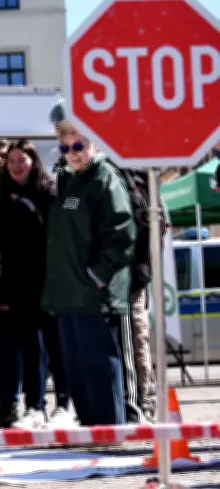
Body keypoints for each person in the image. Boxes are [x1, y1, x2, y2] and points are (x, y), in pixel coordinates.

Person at [50, 100, 149, 424]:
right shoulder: (71, 180)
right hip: (71, 294)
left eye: (78, 145)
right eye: (65, 147)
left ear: (93, 142)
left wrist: (98, 275)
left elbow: (122, 232)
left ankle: (111, 431)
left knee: (101, 368)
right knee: (78, 368)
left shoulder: (105, 177)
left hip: (96, 294)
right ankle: (92, 431)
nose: (72, 153)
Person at [0, 139, 75, 429]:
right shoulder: (1, 195)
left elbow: (59, 237)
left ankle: (64, 405)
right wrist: (2, 287)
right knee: (30, 348)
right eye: (11, 161)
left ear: (33, 161)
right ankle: (35, 407)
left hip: (50, 282)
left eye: (21, 160)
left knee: (56, 346)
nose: (16, 166)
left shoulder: (50, 191)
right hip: (18, 286)